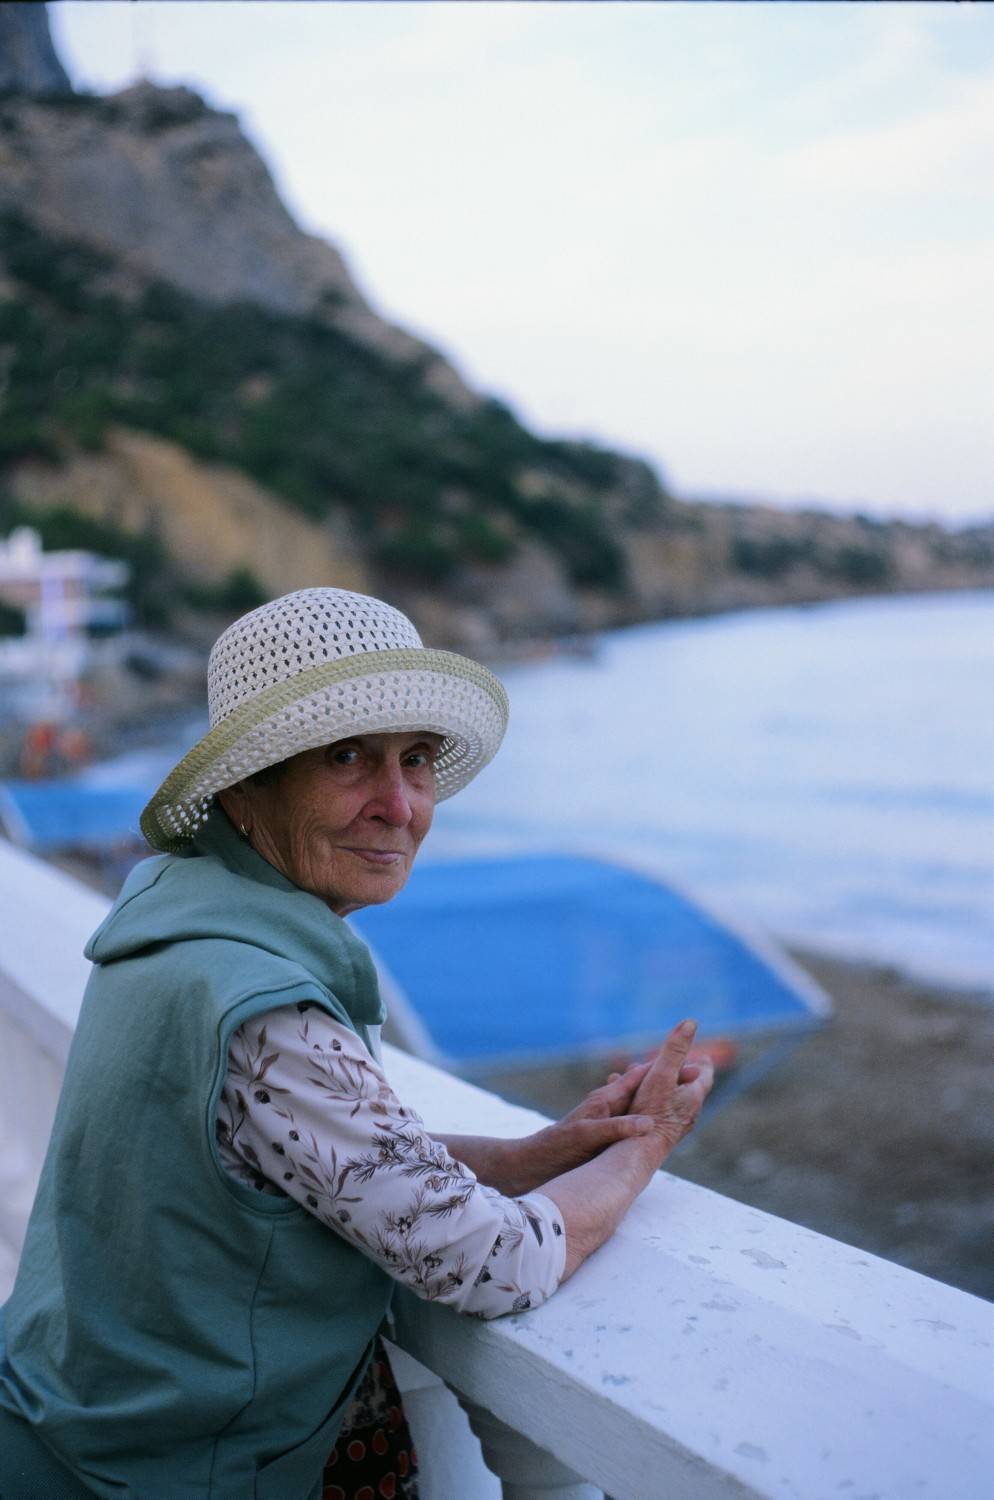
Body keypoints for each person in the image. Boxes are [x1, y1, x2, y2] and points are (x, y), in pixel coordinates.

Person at [0, 587, 713, 1500]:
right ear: (248, 786)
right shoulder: (258, 1004)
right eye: (347, 758)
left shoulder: (172, 919)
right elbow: (491, 1262)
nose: (399, 805)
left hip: (73, 1423)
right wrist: (645, 1147)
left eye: (415, 760)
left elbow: (303, 1156)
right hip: (164, 1473)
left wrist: (534, 1155)